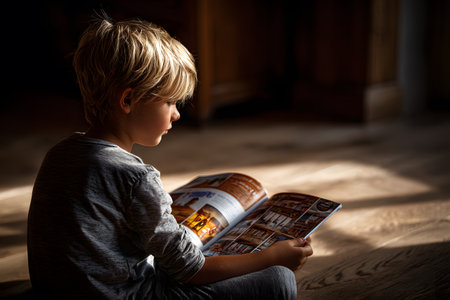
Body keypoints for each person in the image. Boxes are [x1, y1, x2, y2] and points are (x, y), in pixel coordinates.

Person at [27, 14, 313, 300]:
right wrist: (271, 257)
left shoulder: (58, 155)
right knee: (279, 279)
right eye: (170, 101)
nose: (177, 113)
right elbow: (191, 270)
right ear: (127, 100)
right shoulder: (135, 176)